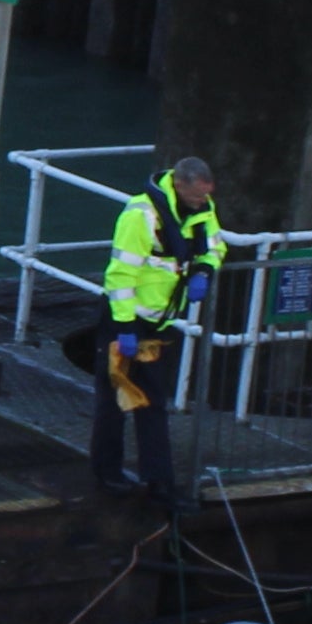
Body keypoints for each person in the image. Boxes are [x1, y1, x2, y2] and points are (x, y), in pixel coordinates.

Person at [87, 155, 228, 502]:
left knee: (153, 400)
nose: (203, 201)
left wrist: (204, 271)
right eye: (197, 195)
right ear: (179, 186)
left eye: (206, 195)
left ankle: (159, 481)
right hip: (125, 320)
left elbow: (214, 247)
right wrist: (124, 326)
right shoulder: (140, 215)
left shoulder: (202, 209)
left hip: (159, 321)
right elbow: (121, 274)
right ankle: (107, 472)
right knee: (114, 400)